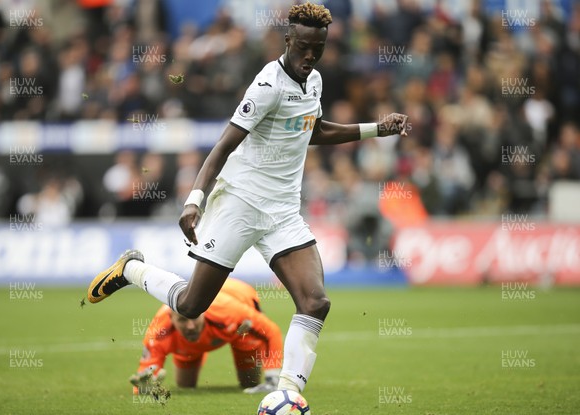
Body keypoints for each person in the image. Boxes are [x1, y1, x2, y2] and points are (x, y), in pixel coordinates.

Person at [88, 1, 408, 395]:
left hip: (282, 209)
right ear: (288, 39)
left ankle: (288, 392)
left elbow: (314, 130)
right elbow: (222, 146)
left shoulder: (315, 81)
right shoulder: (267, 85)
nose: (310, 56)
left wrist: (377, 129)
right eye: (303, 47)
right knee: (190, 305)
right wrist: (195, 200)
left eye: (318, 49)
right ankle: (131, 269)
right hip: (239, 202)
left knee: (315, 302)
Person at [129, 278, 283, 394]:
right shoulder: (159, 332)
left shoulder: (229, 311)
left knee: (249, 383)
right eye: (182, 320)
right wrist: (144, 388)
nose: (190, 326)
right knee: (185, 387)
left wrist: (273, 378)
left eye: (194, 317)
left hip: (239, 311)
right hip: (197, 338)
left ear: (203, 311)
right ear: (171, 317)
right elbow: (143, 378)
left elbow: (271, 331)